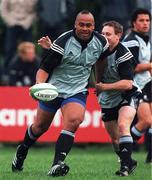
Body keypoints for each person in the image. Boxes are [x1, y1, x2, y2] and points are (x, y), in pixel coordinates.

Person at [11, 10, 109, 177]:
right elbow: (44, 69)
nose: (85, 28)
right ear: (75, 25)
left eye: (89, 25)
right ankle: (22, 150)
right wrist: (39, 85)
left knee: (74, 120)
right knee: (40, 127)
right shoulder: (62, 42)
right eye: (81, 25)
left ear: (94, 26)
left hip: (77, 90)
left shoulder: (101, 42)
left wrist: (99, 81)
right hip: (54, 90)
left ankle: (57, 164)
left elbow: (101, 61)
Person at [96, 21, 142, 176]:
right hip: (108, 98)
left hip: (127, 94)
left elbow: (128, 84)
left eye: (108, 34)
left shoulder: (123, 53)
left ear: (118, 36)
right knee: (115, 140)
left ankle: (125, 168)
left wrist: (103, 87)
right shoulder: (98, 49)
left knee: (123, 126)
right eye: (102, 33)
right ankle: (129, 161)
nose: (104, 37)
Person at [123, 8, 152, 163]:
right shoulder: (131, 40)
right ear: (134, 23)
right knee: (146, 121)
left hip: (147, 83)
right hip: (134, 85)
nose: (145, 23)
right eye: (141, 20)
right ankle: (126, 150)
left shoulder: (146, 39)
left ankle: (150, 155)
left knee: (151, 121)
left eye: (147, 20)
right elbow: (132, 67)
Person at [0, 0, 37, 74]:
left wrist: (28, 21)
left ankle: (31, 74)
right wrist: (10, 21)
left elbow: (35, 10)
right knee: (10, 49)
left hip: (27, 24)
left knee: (29, 50)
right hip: (11, 23)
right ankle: (7, 74)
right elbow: (3, 9)